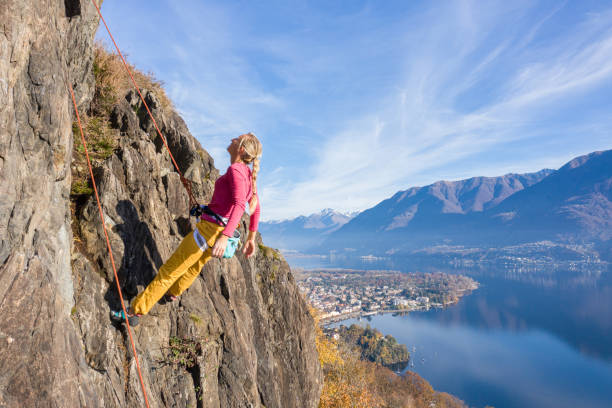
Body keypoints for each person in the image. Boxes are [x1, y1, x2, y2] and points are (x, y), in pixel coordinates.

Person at [111, 133, 262, 326]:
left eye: (236, 139)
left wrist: (224, 237)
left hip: (211, 232)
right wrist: (250, 237)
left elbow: (240, 205)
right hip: (216, 231)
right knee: (194, 266)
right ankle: (174, 293)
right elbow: (254, 207)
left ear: (241, 148)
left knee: (169, 271)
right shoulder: (248, 175)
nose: (231, 139)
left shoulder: (235, 171)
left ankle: (135, 311)